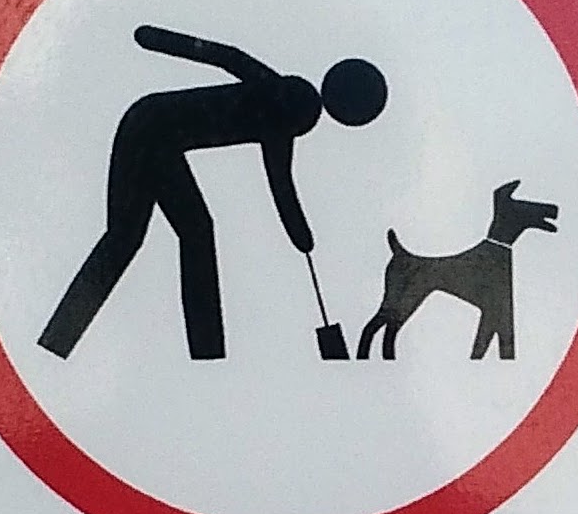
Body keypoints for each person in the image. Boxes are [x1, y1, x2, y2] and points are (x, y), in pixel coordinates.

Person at [39, 26, 387, 360]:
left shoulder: (270, 89)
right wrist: (302, 238)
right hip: (148, 131)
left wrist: (154, 38)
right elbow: (281, 186)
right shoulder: (279, 125)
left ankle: (205, 354)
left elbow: (223, 55)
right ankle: (67, 340)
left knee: (184, 232)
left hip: (154, 130)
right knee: (137, 237)